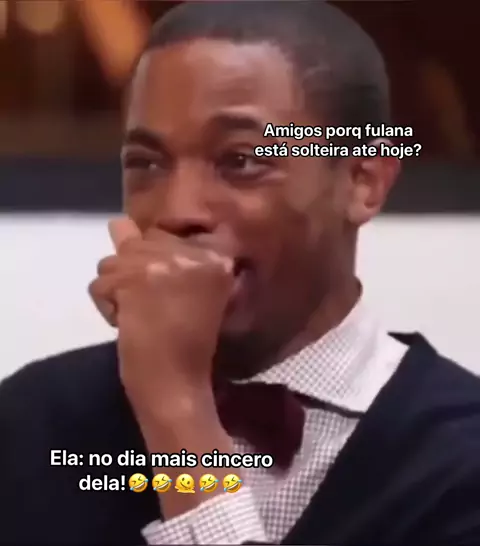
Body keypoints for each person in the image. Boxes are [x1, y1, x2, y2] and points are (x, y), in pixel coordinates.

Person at [1, 2, 480, 545]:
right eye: (147, 163)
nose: (178, 211)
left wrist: (179, 415)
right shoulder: (33, 419)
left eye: (241, 160)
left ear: (362, 181)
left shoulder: (460, 459)